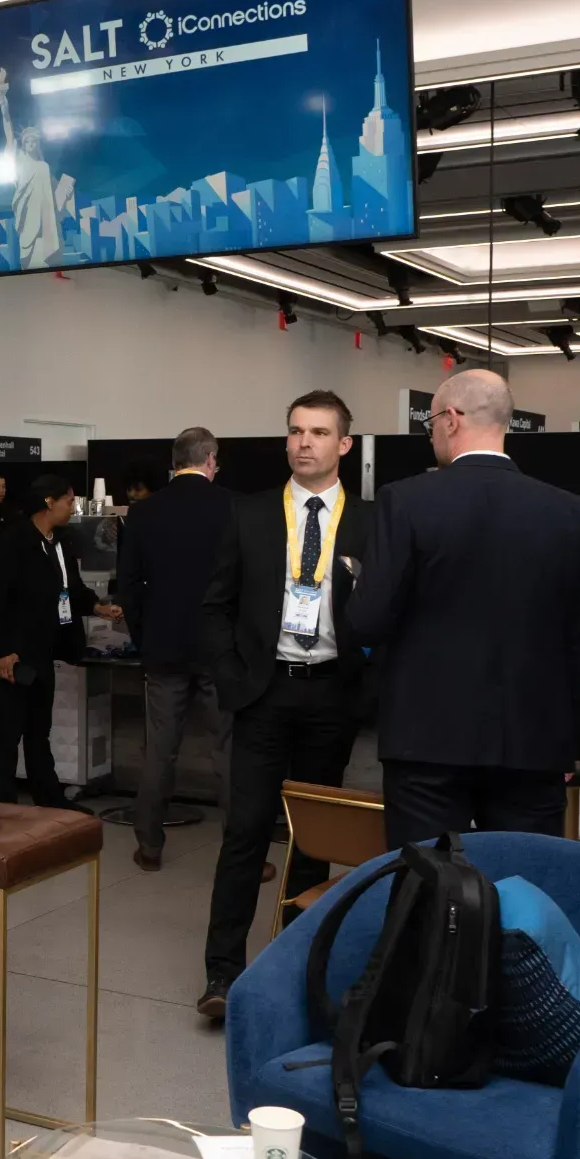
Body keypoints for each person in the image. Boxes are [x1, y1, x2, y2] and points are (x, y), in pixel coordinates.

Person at [348, 369, 580, 848]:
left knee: (429, 890)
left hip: (425, 741)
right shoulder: (575, 515)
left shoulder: (404, 502)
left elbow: (367, 620)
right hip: (535, 743)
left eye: (429, 427)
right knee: (523, 889)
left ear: (450, 419)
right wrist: (571, 747)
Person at [196, 392, 371, 1018]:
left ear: (344, 445)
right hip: (263, 691)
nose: (304, 443)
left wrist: (366, 679)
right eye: (295, 431)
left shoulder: (371, 523)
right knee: (245, 833)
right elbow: (214, 605)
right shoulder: (249, 514)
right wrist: (231, 674)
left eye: (319, 433)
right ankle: (222, 975)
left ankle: (299, 966)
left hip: (332, 693)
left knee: (313, 837)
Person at [116, 428, 234, 871]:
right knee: (226, 752)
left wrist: (144, 637)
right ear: (208, 458)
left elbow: (128, 585)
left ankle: (149, 845)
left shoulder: (144, 513)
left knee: (159, 751)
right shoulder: (231, 507)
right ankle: (240, 852)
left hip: (163, 649)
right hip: (217, 650)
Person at [0, 473, 123, 810]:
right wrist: (2, 652)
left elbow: (70, 587)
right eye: (69, 501)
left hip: (44, 648)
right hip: (15, 652)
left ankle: (50, 798)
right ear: (49, 501)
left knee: (38, 729)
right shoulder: (13, 541)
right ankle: (1, 803)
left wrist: (96, 607)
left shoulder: (61, 540)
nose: (72, 507)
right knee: (8, 733)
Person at [0, 67, 62, 269]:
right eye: (28, 141)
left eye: (34, 141)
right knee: (29, 251)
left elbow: (52, 195)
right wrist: (2, 95)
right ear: (24, 144)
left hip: (45, 221)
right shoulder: (20, 158)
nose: (31, 144)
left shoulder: (44, 166)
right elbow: (7, 124)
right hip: (26, 216)